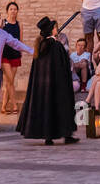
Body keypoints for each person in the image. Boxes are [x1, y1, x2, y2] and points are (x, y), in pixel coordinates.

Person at [17, 17, 80, 145]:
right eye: (55, 27)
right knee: (60, 107)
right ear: (51, 31)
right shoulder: (56, 46)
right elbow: (63, 66)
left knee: (47, 108)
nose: (57, 29)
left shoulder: (40, 46)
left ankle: (48, 137)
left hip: (42, 87)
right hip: (57, 86)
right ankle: (66, 134)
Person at [0, 1, 23, 115]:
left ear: (17, 11)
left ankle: (4, 107)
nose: (13, 11)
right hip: (4, 55)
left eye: (15, 9)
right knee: (9, 80)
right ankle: (14, 106)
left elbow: (20, 41)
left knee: (9, 82)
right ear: (7, 11)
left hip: (15, 55)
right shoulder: (3, 23)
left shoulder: (19, 25)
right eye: (11, 9)